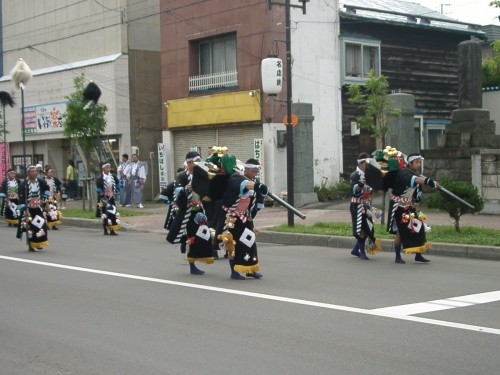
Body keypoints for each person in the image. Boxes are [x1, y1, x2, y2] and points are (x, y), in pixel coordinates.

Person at [166, 151, 214, 275]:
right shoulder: (183, 176)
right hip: (186, 211)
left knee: (202, 235)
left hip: (199, 209)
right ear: (189, 163)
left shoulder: (202, 174)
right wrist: (186, 190)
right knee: (190, 238)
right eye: (194, 162)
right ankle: (191, 264)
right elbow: (176, 195)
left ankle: (199, 255)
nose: (197, 164)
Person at [387, 153, 440, 264]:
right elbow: (415, 180)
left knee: (418, 227)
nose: (419, 164)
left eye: (419, 162)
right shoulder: (403, 173)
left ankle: (418, 255)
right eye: (416, 162)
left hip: (409, 206)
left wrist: (433, 184)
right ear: (410, 163)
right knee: (401, 232)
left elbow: (417, 190)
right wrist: (429, 182)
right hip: (398, 207)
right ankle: (397, 256)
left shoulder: (415, 173)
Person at [220, 158, 268, 280]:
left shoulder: (253, 180)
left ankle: (250, 269)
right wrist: (256, 186)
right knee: (233, 243)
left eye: (256, 171)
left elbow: (256, 196)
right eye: (253, 171)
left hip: (245, 216)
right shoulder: (236, 177)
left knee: (250, 242)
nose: (254, 173)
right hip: (232, 217)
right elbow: (244, 185)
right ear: (246, 169)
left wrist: (260, 193)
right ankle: (234, 271)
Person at [349, 153, 382, 260]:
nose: (367, 166)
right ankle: (362, 252)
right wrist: (360, 184)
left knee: (369, 228)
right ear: (360, 164)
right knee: (361, 228)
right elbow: (353, 191)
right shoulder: (355, 175)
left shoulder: (368, 175)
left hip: (366, 205)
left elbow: (371, 191)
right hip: (357, 205)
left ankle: (355, 249)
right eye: (365, 164)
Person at [18, 165, 50, 252]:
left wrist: (44, 198)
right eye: (32, 171)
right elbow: (21, 196)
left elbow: (46, 189)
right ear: (28, 173)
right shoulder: (23, 184)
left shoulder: (40, 181)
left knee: (41, 224)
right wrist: (24, 207)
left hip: (38, 207)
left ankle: (39, 242)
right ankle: (31, 244)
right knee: (30, 226)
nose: (34, 173)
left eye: (35, 171)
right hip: (28, 209)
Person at [96, 162, 121, 235]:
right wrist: (103, 197)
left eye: (109, 167)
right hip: (103, 198)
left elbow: (118, 185)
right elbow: (99, 190)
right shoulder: (100, 178)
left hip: (111, 197)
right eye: (106, 167)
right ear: (103, 168)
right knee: (104, 213)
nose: (108, 169)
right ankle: (105, 230)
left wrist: (115, 191)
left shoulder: (113, 176)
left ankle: (112, 230)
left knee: (113, 213)